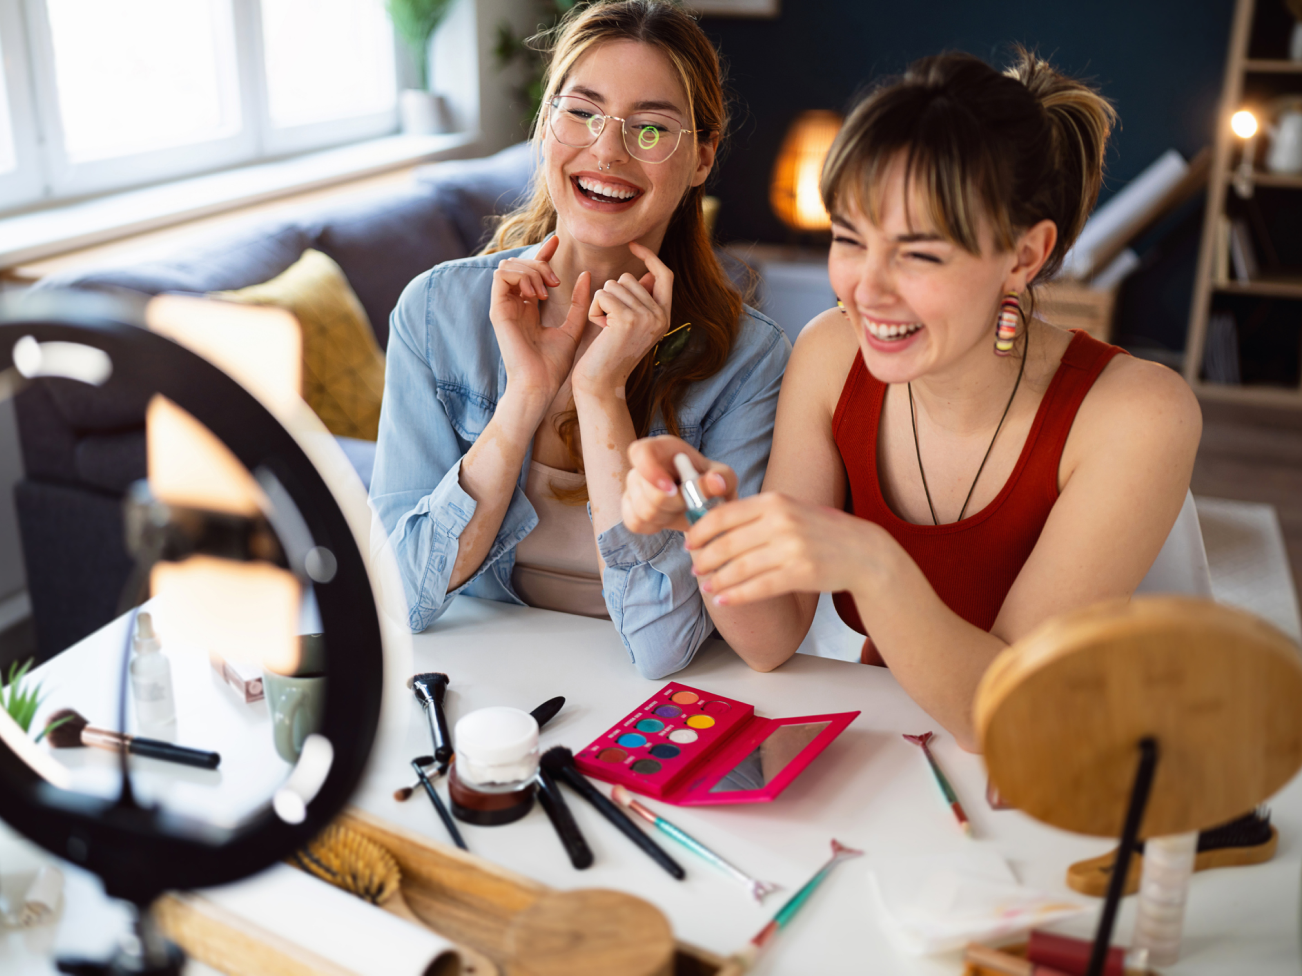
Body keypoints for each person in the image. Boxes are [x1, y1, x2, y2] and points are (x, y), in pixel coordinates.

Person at [621, 49, 1201, 749]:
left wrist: (872, 563)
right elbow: (768, 640)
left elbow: (1011, 716)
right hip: (913, 735)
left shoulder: (1136, 414)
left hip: (1079, 760)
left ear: (1024, 256)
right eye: (849, 238)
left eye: (921, 253)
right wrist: (700, 511)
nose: (866, 288)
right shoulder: (832, 353)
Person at [370, 0, 789, 678]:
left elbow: (664, 646)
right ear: (544, 124)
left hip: (645, 706)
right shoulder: (434, 313)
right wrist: (525, 397)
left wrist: (601, 393)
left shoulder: (748, 361)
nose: (608, 150)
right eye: (583, 113)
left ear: (703, 157)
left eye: (651, 129)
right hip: (481, 690)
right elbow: (396, 592)